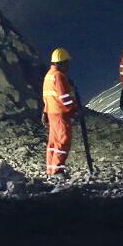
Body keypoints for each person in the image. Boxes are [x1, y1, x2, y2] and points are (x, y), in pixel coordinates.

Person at [42, 47, 81, 178]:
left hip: (51, 113)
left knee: (53, 142)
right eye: (67, 63)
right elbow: (64, 97)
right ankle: (57, 170)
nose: (68, 66)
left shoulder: (49, 75)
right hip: (60, 114)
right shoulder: (58, 76)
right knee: (63, 140)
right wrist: (75, 109)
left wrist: (45, 111)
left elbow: (47, 96)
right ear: (62, 62)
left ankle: (51, 169)